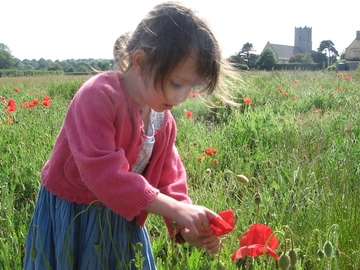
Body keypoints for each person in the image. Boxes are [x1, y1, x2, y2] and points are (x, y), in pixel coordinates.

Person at [23, 1, 237, 269]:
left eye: (190, 87)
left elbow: (170, 181)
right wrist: (175, 209)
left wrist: (187, 224)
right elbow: (103, 174)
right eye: (175, 83)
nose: (181, 97)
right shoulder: (97, 96)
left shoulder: (163, 121)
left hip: (124, 220)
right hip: (75, 215)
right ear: (141, 62)